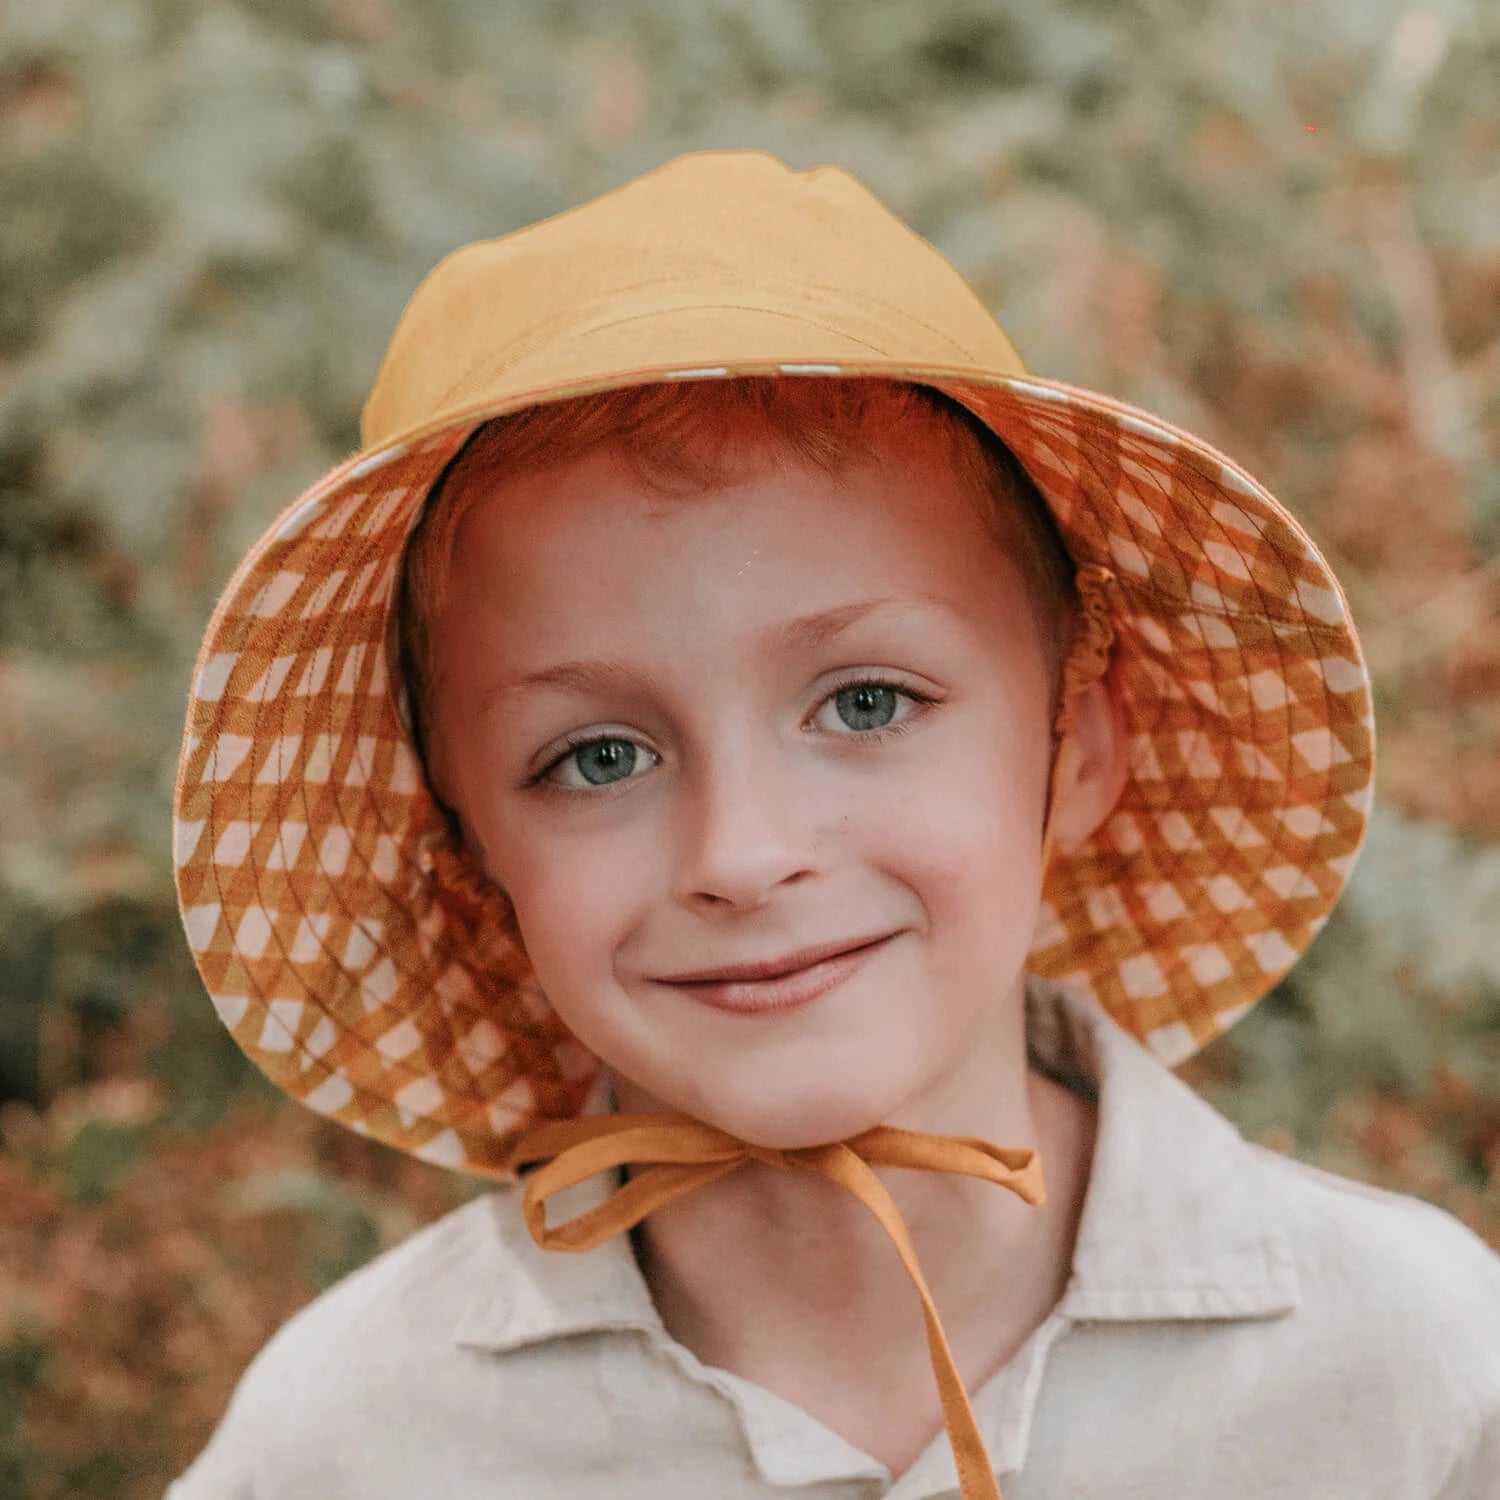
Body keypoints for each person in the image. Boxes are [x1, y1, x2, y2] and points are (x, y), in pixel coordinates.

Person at [166, 150, 1499, 1499]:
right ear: (467, 867)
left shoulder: (1408, 1374)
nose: (743, 855)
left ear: (1083, 743)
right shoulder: (355, 1442)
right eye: (598, 756)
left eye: (867, 702)